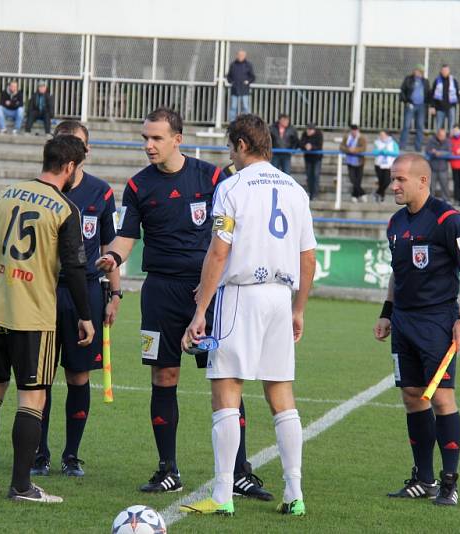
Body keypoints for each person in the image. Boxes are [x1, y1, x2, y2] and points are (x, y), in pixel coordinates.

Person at [95, 108, 272, 500]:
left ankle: (239, 471)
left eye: (156, 138)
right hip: (160, 293)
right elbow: (126, 237)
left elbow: (233, 228)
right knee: (163, 378)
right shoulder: (138, 186)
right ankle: (167, 469)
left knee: (225, 382)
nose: (148, 145)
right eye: (145, 138)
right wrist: (113, 258)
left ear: (178, 138)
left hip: (206, 293)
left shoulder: (210, 177)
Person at [178, 113, 316, 517]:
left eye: (229, 146)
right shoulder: (295, 188)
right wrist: (300, 309)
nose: (230, 154)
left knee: (225, 389)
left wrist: (200, 309)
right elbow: (308, 259)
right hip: (279, 294)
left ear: (240, 145)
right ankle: (295, 493)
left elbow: (219, 251)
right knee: (281, 394)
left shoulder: (232, 186)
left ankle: (222, 494)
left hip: (242, 294)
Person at [0, 135, 95, 503]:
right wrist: (85, 316)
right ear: (69, 167)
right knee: (32, 399)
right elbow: (75, 268)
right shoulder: (65, 208)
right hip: (33, 317)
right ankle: (22, 486)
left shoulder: (3, 196)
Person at [373, 152, 460, 507]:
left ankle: (450, 482)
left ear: (422, 181)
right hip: (403, 321)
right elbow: (397, 272)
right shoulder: (395, 223)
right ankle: (423, 479)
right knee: (412, 396)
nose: (394, 185)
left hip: (437, 322)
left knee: (441, 397)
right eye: (392, 179)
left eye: (401, 179)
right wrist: (387, 312)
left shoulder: (449, 220)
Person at [31, 121, 122, 478]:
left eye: (78, 145)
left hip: (85, 294)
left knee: (78, 376)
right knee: (40, 377)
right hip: (45, 291)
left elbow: (109, 246)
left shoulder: (101, 192)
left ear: (87, 151)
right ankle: (39, 454)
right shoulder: (42, 190)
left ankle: (71, 455)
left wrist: (115, 293)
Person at [399, 65, 431, 152]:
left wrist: (430, 105)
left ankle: (418, 147)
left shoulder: (425, 81)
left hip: (422, 106)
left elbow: (428, 93)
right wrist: (406, 102)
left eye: (420, 71)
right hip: (410, 105)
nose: (418, 72)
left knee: (420, 126)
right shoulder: (408, 79)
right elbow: (403, 91)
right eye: (416, 70)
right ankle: (402, 146)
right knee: (406, 125)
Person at [339, 124, 367, 203]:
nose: (354, 132)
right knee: (352, 179)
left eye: (355, 131)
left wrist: (354, 150)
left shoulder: (362, 138)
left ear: (358, 131)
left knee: (358, 180)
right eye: (353, 131)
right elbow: (341, 146)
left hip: (359, 162)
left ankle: (354, 195)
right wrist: (349, 149)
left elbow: (363, 148)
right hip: (349, 161)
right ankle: (362, 193)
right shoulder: (347, 137)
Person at [226, 50, 255, 122]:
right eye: (239, 55)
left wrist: (248, 81)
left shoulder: (248, 65)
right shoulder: (233, 64)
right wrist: (231, 82)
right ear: (237, 55)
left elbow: (252, 77)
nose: (240, 57)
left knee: (245, 107)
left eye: (242, 55)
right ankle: (232, 122)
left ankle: (247, 122)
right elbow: (229, 76)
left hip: (244, 89)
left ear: (245, 56)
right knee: (233, 107)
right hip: (235, 89)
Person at [430, 65, 460, 132]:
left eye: (446, 70)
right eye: (443, 70)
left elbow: (457, 92)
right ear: (441, 71)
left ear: (449, 71)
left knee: (452, 127)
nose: (445, 72)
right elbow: (432, 94)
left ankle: (451, 142)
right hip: (439, 107)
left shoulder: (453, 81)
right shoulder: (437, 80)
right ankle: (438, 142)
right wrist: (432, 106)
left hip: (451, 107)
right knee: (438, 127)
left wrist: (457, 102)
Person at [425, 128, 451, 201]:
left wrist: (441, 153)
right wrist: (433, 152)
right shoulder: (431, 141)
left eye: (444, 135)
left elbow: (450, 152)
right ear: (437, 135)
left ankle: (446, 201)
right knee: (431, 187)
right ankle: (429, 201)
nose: (442, 137)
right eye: (441, 135)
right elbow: (427, 151)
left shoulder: (448, 142)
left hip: (443, 169)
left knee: (445, 186)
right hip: (432, 168)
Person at [373, 130, 399, 203]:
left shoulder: (393, 143)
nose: (381, 136)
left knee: (386, 182)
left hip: (389, 166)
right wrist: (381, 151)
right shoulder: (377, 142)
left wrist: (387, 152)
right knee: (381, 182)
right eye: (380, 135)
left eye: (383, 135)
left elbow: (396, 153)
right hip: (378, 165)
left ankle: (377, 193)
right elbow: (374, 152)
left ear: (387, 135)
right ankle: (381, 196)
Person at [300, 123, 324, 200]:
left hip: (317, 159)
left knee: (316, 176)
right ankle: (311, 193)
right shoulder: (304, 134)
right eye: (308, 129)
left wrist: (311, 147)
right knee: (309, 176)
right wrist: (305, 146)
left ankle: (315, 194)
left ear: (314, 130)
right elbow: (301, 144)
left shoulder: (319, 134)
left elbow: (319, 146)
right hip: (308, 159)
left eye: (310, 130)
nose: (309, 131)